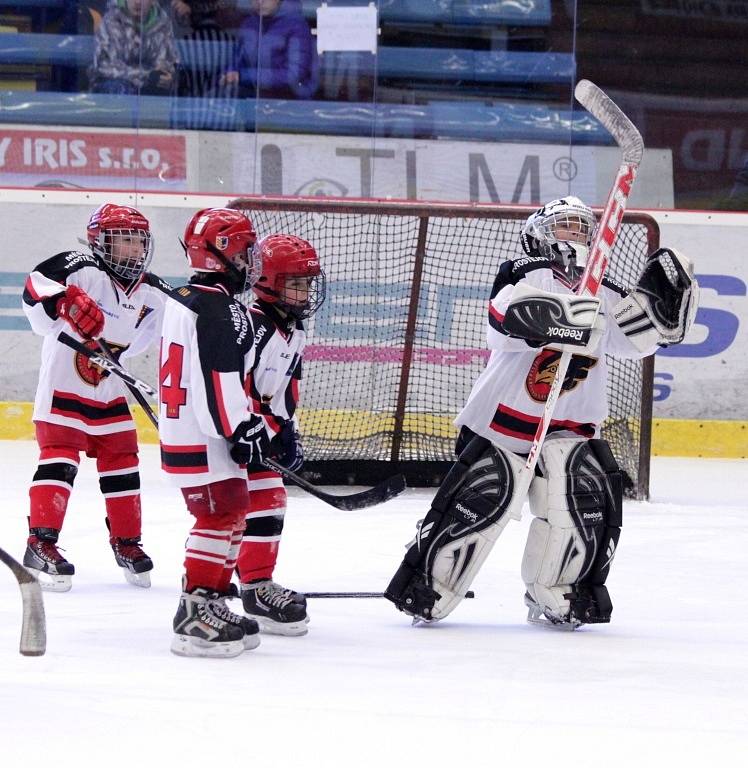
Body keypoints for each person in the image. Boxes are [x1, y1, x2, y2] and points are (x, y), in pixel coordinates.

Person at [385, 196, 700, 629]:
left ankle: (557, 592)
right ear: (540, 233)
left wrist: (661, 320)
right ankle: (430, 585)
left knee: (580, 508)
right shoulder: (524, 272)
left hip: (571, 424)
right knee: (478, 505)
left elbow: (635, 343)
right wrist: (566, 322)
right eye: (565, 227)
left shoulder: (603, 290)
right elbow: (505, 322)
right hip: (503, 422)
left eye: (582, 228)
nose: (576, 235)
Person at [159, 208, 325, 657]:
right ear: (225, 252)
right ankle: (195, 611)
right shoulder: (220, 307)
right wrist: (242, 428)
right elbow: (222, 380)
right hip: (208, 434)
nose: (252, 258)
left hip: (201, 429)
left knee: (232, 512)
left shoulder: (196, 298)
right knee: (219, 516)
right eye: (247, 249)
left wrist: (273, 426)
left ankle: (212, 600)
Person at [21, 203, 171, 592]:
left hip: (108, 389)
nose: (134, 250)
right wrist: (63, 301)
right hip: (63, 385)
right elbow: (36, 284)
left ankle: (127, 542)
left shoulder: (152, 291)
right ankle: (41, 542)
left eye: (139, 241)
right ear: (100, 242)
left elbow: (183, 323)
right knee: (60, 460)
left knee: (123, 461)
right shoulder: (81, 267)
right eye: (124, 240)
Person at [222, 0, 319, 100]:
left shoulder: (297, 26)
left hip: (289, 103)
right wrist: (229, 73)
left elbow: (293, 75)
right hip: (253, 99)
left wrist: (244, 76)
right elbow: (237, 58)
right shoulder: (249, 24)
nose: (260, 1)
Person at [89, 0, 178, 96]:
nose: (137, 2)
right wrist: (146, 76)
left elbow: (169, 61)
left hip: (150, 89)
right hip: (114, 89)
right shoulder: (110, 20)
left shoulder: (163, 23)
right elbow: (104, 65)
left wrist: (167, 76)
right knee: (120, 88)